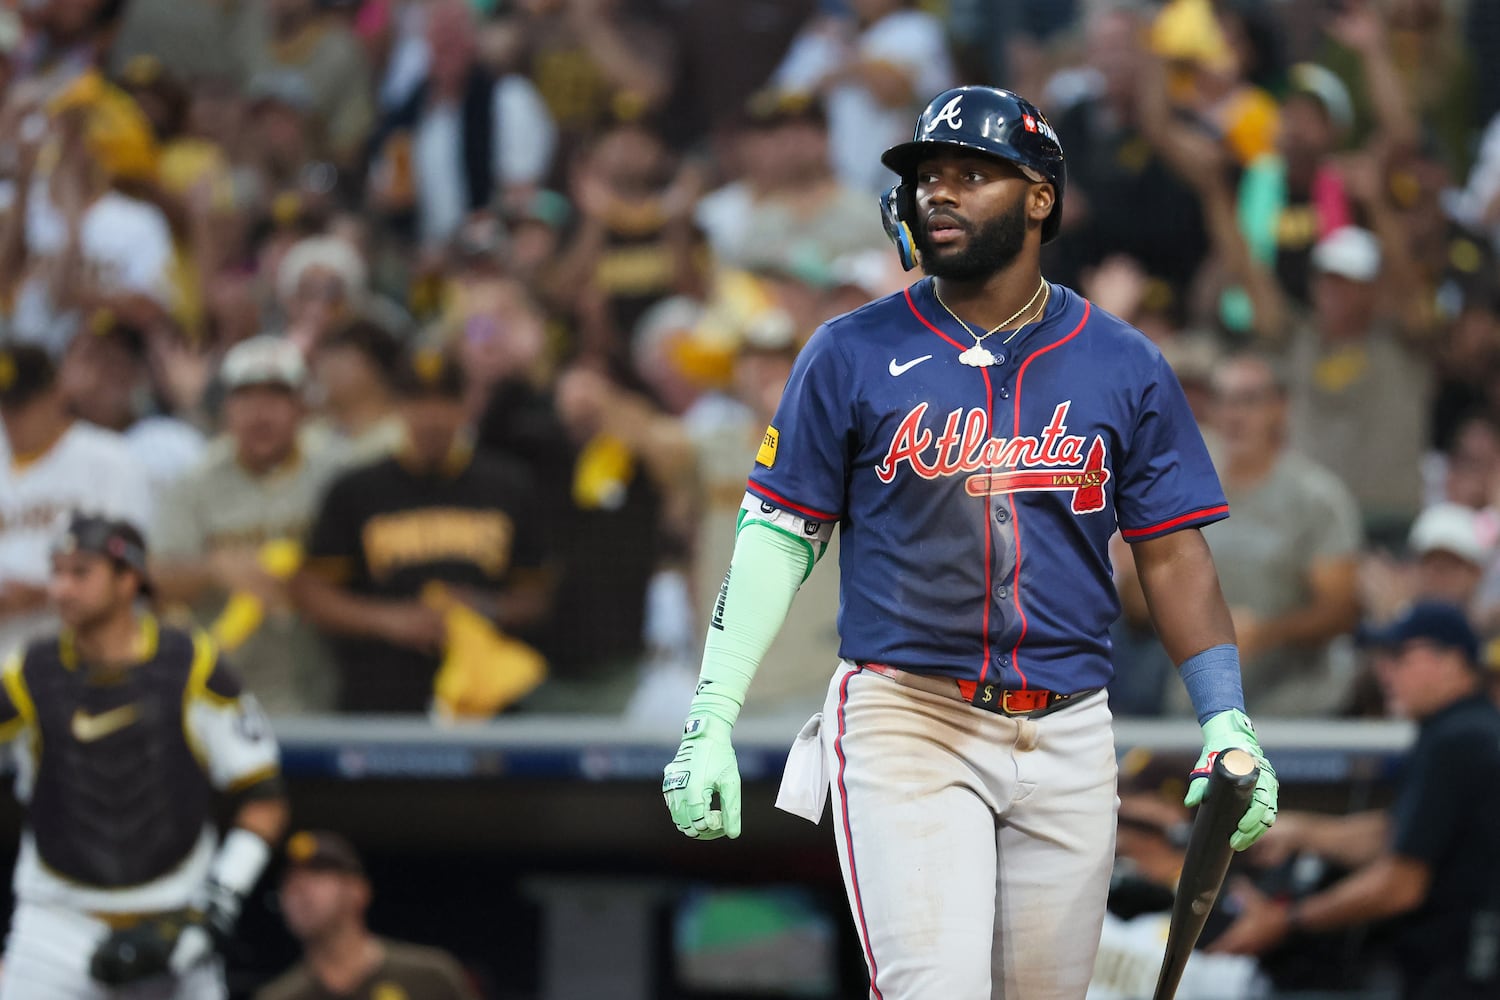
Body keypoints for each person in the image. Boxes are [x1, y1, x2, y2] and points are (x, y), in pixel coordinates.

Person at [662, 86, 1279, 998]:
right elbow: (776, 535)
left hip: (1070, 728)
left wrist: (1226, 718)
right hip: (911, 716)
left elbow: (1172, 551)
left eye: (971, 174)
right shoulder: (848, 350)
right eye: (926, 177)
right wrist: (711, 715)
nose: (938, 193)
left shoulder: (1124, 361)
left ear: (1039, 198)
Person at [0, 513, 288, 999]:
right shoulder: (27, 671)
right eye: (57, 572)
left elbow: (264, 795)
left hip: (175, 922)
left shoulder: (193, 664)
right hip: (55, 925)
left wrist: (216, 905)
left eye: (80, 572)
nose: (62, 589)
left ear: (129, 578)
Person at [1216, 601, 1500, 1000]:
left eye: (1400, 656)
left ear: (1453, 660)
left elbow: (1400, 884)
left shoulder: (1460, 740)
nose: (1384, 671)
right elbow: (1402, 831)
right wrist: (1304, 832)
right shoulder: (1462, 729)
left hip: (1463, 974)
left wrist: (1287, 920)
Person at [294, 348, 553, 714]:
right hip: (380, 698)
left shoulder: (509, 486)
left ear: (467, 405)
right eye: (418, 400)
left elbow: (539, 595)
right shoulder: (357, 489)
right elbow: (312, 592)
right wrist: (390, 620)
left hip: (488, 703)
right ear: (397, 406)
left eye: (445, 400)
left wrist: (485, 607)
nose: (432, 416)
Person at [151, 335, 343, 714]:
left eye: (276, 396)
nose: (261, 413)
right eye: (246, 397)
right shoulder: (195, 483)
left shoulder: (335, 474)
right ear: (226, 408)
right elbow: (154, 578)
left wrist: (303, 580)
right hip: (225, 694)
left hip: (323, 687)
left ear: (302, 406)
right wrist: (214, 569)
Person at [0, 343, 152, 658]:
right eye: (3, 405)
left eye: (22, 404)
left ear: (57, 393)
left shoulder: (110, 460)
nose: (11, 417)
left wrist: (45, 593)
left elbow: (133, 568)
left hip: (82, 661)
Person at [255, 830, 478, 1000]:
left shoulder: (431, 978)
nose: (300, 889)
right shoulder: (279, 996)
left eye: (318, 874)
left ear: (358, 891)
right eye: (289, 881)